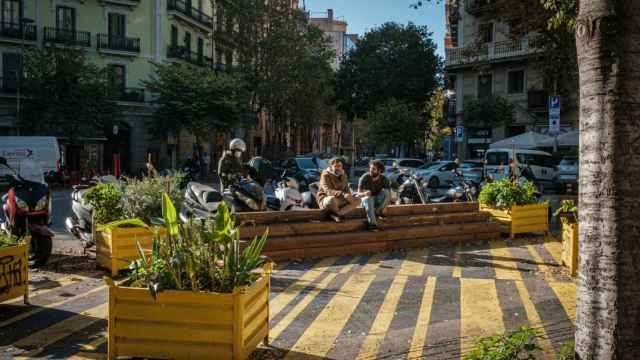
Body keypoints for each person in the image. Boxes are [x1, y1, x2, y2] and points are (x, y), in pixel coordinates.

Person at [317, 157, 359, 222]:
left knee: (358, 199)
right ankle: (337, 214)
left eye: (339, 166)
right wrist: (343, 194)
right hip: (326, 199)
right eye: (335, 166)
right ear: (331, 167)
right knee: (332, 199)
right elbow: (327, 191)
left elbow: (346, 188)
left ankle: (338, 214)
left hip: (340, 199)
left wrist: (349, 196)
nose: (338, 168)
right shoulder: (325, 174)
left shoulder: (344, 174)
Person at [358, 160, 391, 231]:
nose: (371, 170)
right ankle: (373, 224)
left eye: (373, 169)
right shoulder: (365, 177)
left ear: (379, 171)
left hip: (377, 202)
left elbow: (388, 195)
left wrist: (385, 207)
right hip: (366, 201)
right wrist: (364, 193)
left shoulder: (384, 179)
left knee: (386, 192)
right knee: (368, 198)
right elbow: (358, 194)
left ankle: (377, 212)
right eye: (370, 168)